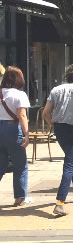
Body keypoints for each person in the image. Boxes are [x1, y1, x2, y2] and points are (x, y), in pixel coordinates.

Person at [42, 64, 73, 216]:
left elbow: (45, 113)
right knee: (69, 163)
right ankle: (60, 202)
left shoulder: (56, 90)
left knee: (72, 158)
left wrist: (52, 124)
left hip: (60, 129)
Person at [0, 66, 31, 206]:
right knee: (20, 164)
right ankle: (19, 197)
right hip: (13, 129)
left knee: (1, 164)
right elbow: (22, 115)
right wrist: (26, 134)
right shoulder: (19, 94)